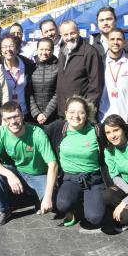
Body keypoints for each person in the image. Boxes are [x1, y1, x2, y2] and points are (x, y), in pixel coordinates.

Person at [0, 101, 58, 225]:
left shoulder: (37, 133)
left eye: (16, 116)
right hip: (15, 172)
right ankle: (3, 211)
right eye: (8, 118)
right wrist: (10, 175)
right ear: (4, 120)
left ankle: (36, 197)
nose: (13, 121)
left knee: (56, 205)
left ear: (22, 116)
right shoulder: (0, 132)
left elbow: (53, 164)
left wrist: (48, 196)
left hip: (37, 175)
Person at [46, 96, 110, 230]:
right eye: (72, 112)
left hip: (94, 179)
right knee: (62, 204)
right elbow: (36, 132)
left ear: (87, 114)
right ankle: (74, 208)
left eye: (81, 112)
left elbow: (117, 135)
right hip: (69, 178)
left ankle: (92, 203)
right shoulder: (58, 127)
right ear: (66, 114)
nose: (76, 116)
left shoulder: (97, 130)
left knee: (95, 218)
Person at [55, 20, 102, 118]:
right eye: (65, 34)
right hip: (64, 110)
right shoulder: (62, 51)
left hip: (80, 113)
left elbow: (95, 84)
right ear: (61, 36)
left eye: (72, 33)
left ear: (78, 32)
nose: (69, 37)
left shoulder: (90, 52)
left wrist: (88, 110)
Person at [98, 27, 128, 122]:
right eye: (112, 39)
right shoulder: (100, 62)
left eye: (119, 39)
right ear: (107, 41)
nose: (115, 42)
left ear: (124, 42)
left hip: (126, 118)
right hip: (104, 117)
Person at [0, 34, 34, 116]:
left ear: (17, 48)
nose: (8, 49)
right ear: (1, 50)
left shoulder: (28, 64)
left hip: (25, 111)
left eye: (11, 46)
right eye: (4, 47)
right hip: (7, 114)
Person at [28, 37, 59, 125]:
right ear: (37, 50)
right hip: (34, 116)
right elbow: (29, 93)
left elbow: (58, 93)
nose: (44, 53)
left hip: (53, 115)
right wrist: (36, 113)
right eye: (41, 49)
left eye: (47, 49)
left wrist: (46, 114)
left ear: (52, 50)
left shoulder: (58, 67)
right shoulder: (31, 67)